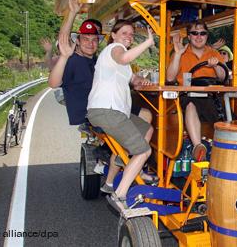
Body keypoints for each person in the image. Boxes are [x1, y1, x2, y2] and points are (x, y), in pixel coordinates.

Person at [86, 20, 157, 209]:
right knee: (144, 150)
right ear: (114, 35)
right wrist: (148, 43)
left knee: (146, 129)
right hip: (106, 111)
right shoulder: (114, 49)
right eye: (124, 32)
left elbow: (133, 79)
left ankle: (134, 169)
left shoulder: (121, 61)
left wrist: (143, 80)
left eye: (132, 34)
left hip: (116, 113)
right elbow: (123, 58)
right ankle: (120, 195)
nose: (129, 36)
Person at [166, 22, 226, 162]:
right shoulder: (181, 52)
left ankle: (226, 150)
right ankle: (198, 146)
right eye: (195, 33)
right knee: (191, 104)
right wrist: (178, 53)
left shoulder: (213, 53)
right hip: (187, 96)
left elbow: (223, 76)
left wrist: (216, 65)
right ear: (189, 36)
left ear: (206, 35)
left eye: (202, 33)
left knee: (226, 112)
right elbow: (169, 77)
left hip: (210, 97)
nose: (199, 36)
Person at [47, 0, 102, 126]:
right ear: (77, 41)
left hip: (102, 111)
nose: (90, 43)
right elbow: (53, 83)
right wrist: (72, 14)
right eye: (85, 39)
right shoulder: (73, 60)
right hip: (91, 116)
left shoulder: (95, 61)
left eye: (94, 39)